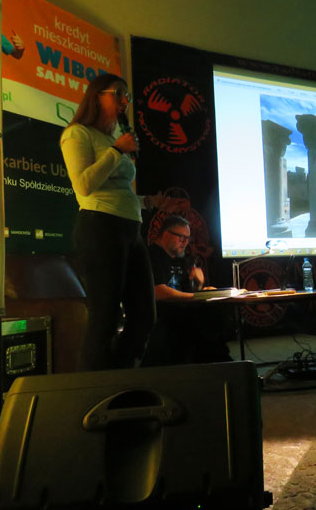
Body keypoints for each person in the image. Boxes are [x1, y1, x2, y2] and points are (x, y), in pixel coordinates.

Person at [60, 73, 163, 371]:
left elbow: (118, 191)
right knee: (105, 316)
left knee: (144, 314)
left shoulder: (112, 140)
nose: (124, 101)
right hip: (100, 227)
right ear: (96, 96)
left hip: (131, 229)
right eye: (117, 93)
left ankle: (121, 377)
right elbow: (84, 185)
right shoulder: (78, 134)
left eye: (127, 96)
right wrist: (117, 151)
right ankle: (95, 387)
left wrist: (147, 202)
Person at [145, 215, 233, 365]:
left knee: (215, 311)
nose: (185, 242)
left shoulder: (180, 259)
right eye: (181, 237)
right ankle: (220, 361)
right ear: (166, 234)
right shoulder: (152, 255)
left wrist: (200, 287)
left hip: (181, 311)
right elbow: (158, 291)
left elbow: (187, 292)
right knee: (206, 321)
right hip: (163, 313)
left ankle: (219, 361)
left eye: (187, 238)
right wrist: (196, 297)